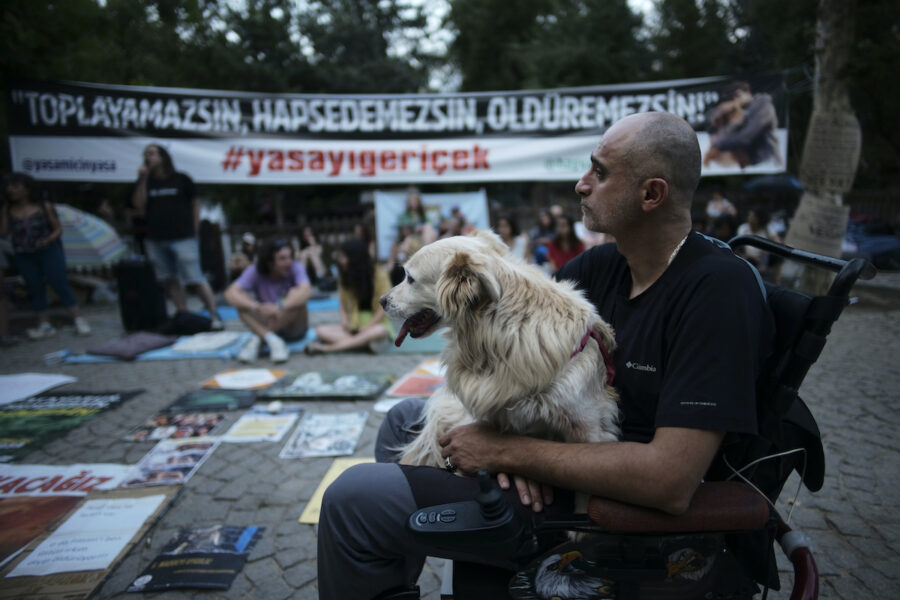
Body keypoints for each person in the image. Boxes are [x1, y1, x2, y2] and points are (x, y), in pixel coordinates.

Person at [317, 111, 775, 600]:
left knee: (350, 500)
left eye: (599, 172)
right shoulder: (605, 265)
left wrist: (505, 451)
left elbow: (670, 480)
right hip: (552, 462)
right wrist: (512, 442)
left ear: (651, 194)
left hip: (604, 514)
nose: (581, 185)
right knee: (402, 419)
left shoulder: (716, 293)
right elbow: (501, 323)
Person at [131, 144, 222, 329]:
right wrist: (142, 179)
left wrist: (195, 230)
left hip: (183, 237)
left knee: (195, 277)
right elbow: (138, 206)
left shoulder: (181, 179)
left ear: (163, 157)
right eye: (146, 154)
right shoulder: (146, 182)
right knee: (169, 278)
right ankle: (183, 314)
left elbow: (195, 204)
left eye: (152, 153)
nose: (148, 157)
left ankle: (213, 314)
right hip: (156, 239)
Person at [0, 172, 90, 339]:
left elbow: (58, 229)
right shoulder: (8, 209)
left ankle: (78, 319)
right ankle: (44, 324)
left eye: (15, 186)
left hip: (48, 250)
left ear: (27, 188)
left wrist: (47, 240)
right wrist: (4, 212)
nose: (10, 189)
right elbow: (4, 232)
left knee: (58, 282)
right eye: (8, 187)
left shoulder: (43, 206)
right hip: (23, 253)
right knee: (34, 286)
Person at [224, 238, 311, 363]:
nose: (289, 262)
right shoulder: (255, 270)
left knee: (296, 297)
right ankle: (272, 340)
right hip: (266, 318)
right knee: (241, 303)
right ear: (269, 262)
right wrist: (256, 306)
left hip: (292, 329)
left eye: (290, 257)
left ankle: (261, 337)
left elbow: (306, 291)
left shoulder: (295, 267)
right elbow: (230, 293)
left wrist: (280, 306)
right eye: (282, 258)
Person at [307, 237, 393, 354]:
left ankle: (328, 348)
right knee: (320, 331)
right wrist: (344, 322)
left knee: (379, 331)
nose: (340, 260)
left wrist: (367, 328)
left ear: (355, 258)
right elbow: (342, 303)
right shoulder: (345, 276)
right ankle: (363, 343)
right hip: (353, 325)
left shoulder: (379, 274)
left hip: (375, 325)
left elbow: (384, 307)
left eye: (343, 257)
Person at [704, 81, 782, 169]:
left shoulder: (763, 107)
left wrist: (719, 143)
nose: (736, 100)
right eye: (733, 97)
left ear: (748, 93)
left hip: (767, 162)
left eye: (738, 95)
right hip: (752, 163)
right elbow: (726, 133)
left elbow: (745, 138)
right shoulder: (744, 111)